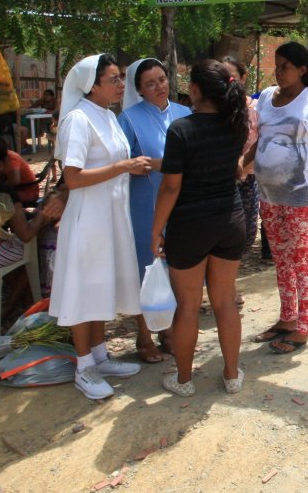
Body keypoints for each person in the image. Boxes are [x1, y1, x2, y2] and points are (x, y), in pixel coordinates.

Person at [50, 54, 151, 400]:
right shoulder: (78, 120)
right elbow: (73, 178)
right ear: (91, 85)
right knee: (84, 290)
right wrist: (124, 166)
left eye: (121, 78)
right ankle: (83, 366)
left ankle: (99, 354)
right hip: (88, 219)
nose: (120, 85)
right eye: (113, 79)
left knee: (100, 285)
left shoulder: (108, 116)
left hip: (110, 215)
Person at [150, 60, 250, 396]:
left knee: (188, 306)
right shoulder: (235, 125)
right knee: (225, 301)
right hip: (230, 220)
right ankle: (232, 375)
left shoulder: (181, 130)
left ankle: (182, 380)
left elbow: (170, 187)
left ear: (194, 90)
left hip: (190, 226)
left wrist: (156, 230)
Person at [247, 42, 308, 354]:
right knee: (280, 259)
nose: (278, 71)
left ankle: (303, 327)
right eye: (277, 65)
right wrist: (242, 166)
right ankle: (286, 318)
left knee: (301, 262)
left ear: (301, 70)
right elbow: (260, 140)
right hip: (268, 196)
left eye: (285, 66)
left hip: (300, 198)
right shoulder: (267, 97)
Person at [117, 57, 191, 363]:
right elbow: (125, 163)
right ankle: (144, 336)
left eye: (162, 79)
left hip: (181, 204)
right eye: (150, 83)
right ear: (139, 90)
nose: (159, 87)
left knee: (176, 268)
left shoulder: (184, 113)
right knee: (146, 269)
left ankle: (168, 330)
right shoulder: (128, 119)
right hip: (145, 203)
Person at [0, 135, 64, 274]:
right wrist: (42, 214)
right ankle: (31, 290)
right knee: (34, 245)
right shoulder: (4, 191)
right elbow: (25, 235)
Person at [221, 56, 263, 266]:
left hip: (250, 176)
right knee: (225, 231)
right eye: (224, 78)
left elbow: (262, 138)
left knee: (248, 228)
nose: (228, 83)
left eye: (233, 77)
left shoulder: (256, 108)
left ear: (244, 78)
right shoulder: (216, 110)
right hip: (223, 178)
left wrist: (243, 162)